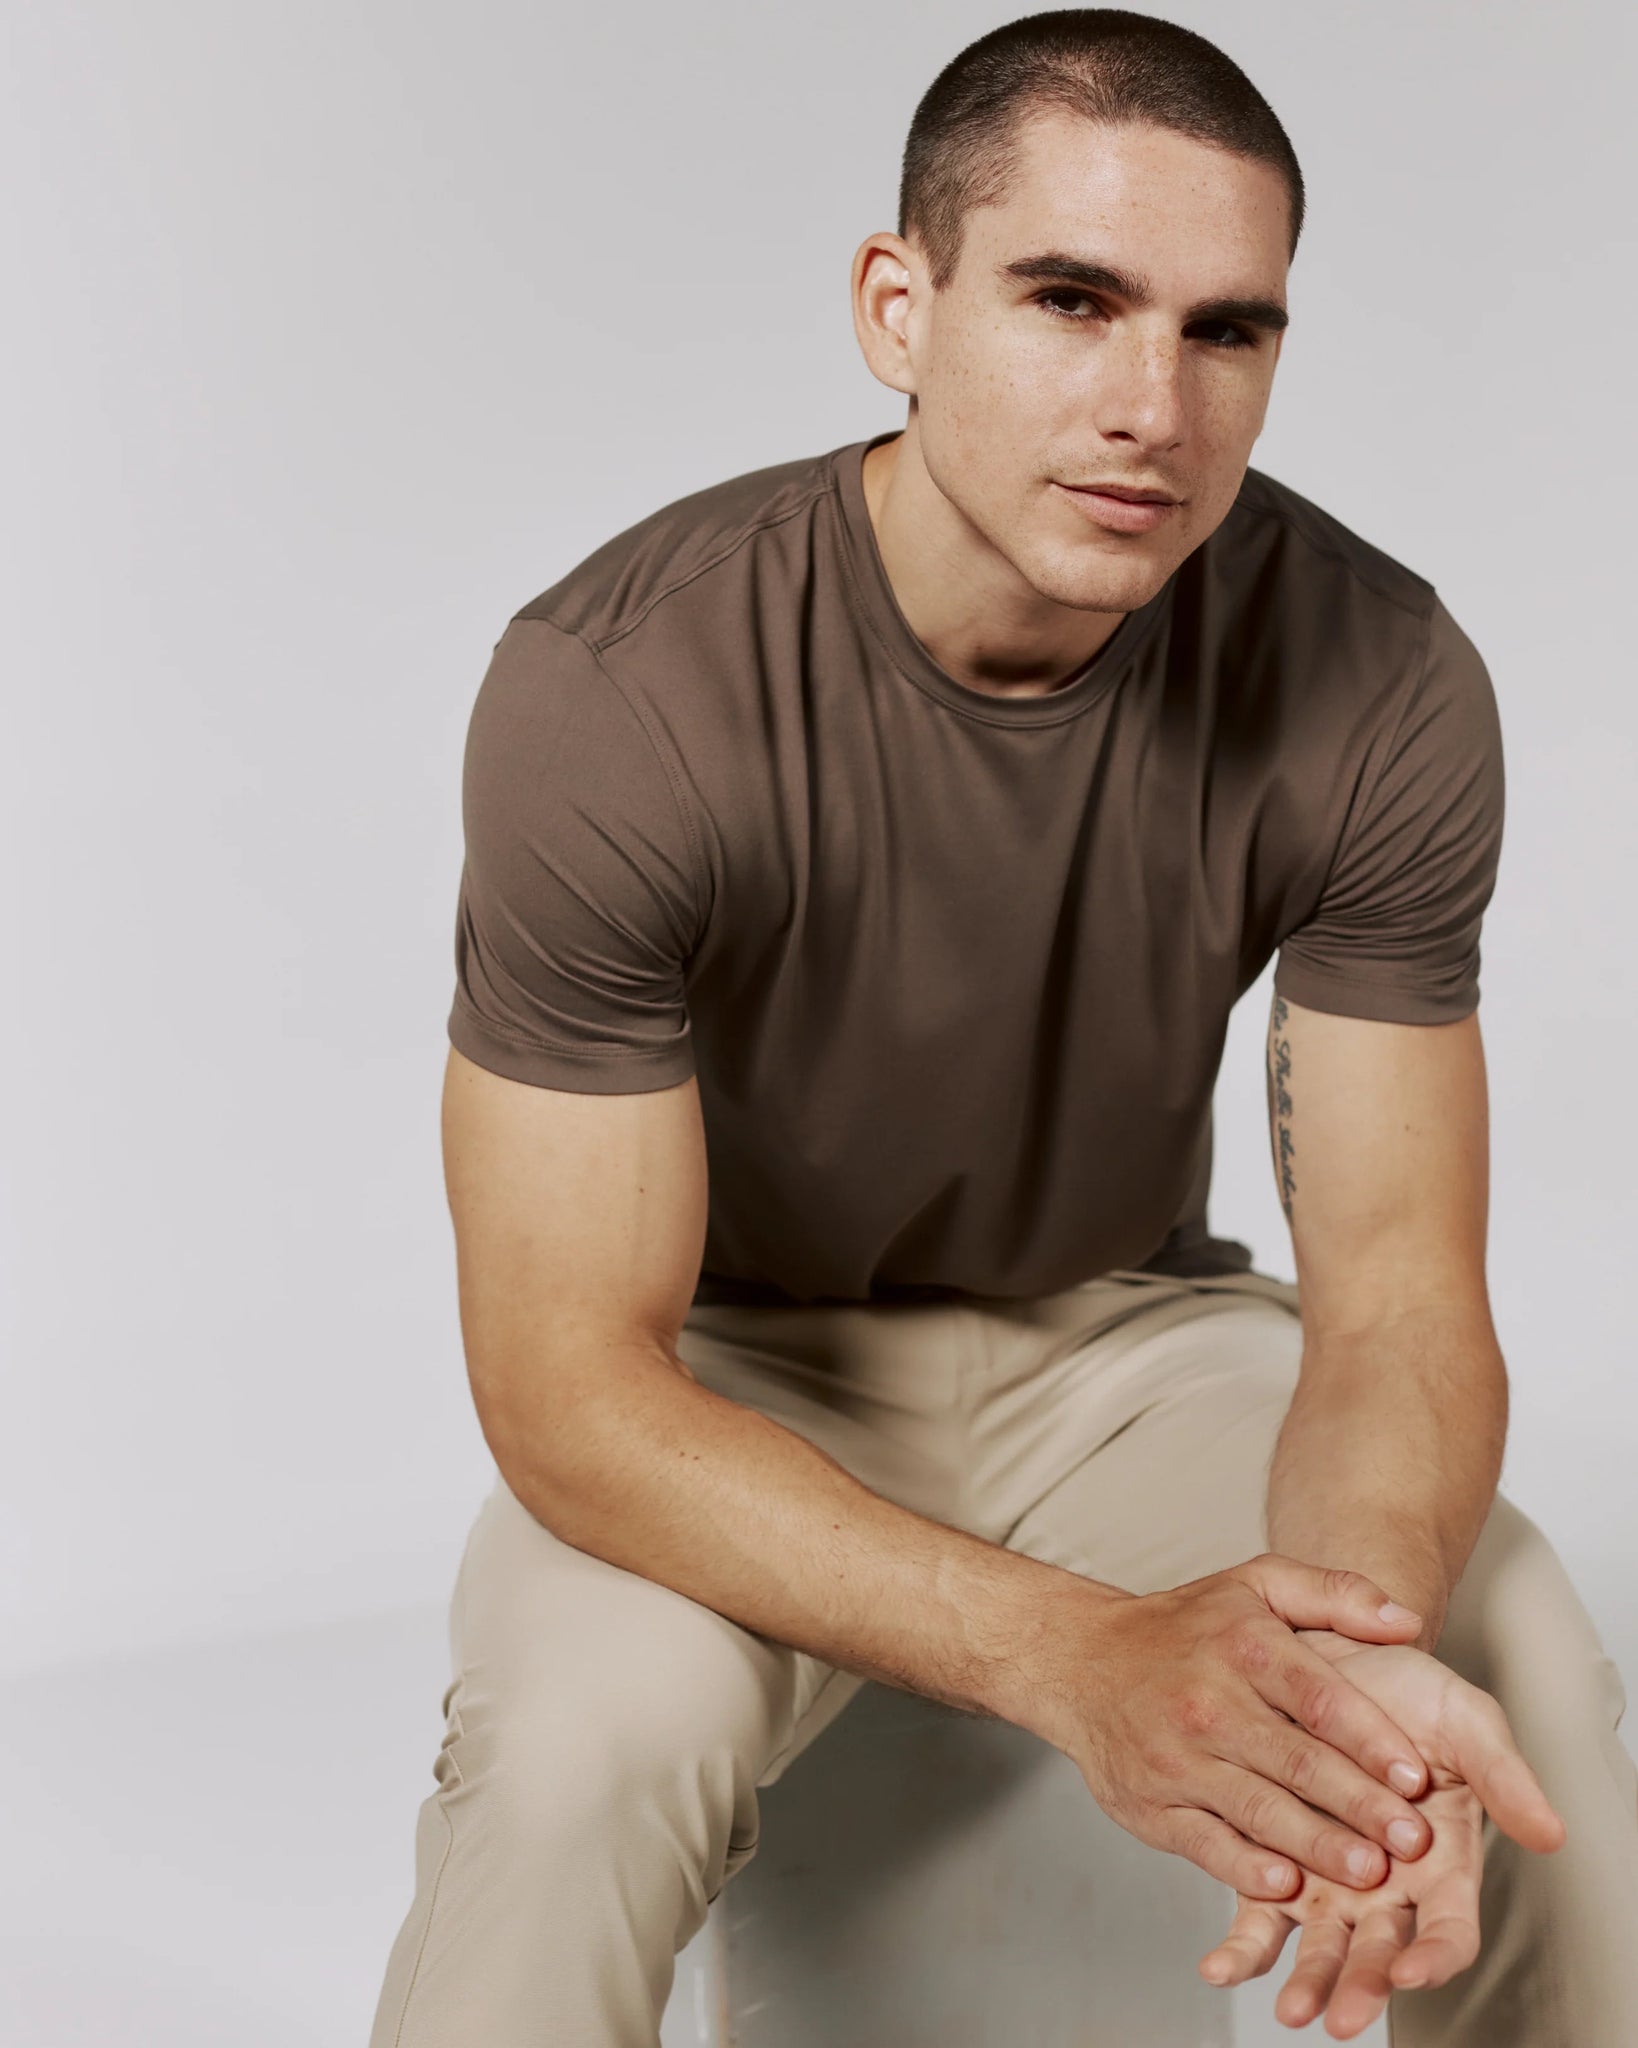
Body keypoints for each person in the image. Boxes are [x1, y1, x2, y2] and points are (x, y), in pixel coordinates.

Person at [367, 11, 1637, 2044]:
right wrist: (1078, 1658)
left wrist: (1340, 1660)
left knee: (1510, 1677)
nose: (1152, 407)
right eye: (1070, 300)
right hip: (725, 1371)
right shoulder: (623, 689)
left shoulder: (1380, 673)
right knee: (581, 1758)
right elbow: (566, 1383)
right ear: (901, 305)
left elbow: (1398, 1300)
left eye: (1226, 331)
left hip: (1128, 1344)